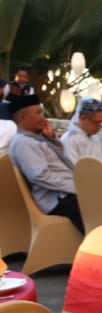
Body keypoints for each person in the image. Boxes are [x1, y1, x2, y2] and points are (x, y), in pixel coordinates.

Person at [7, 94, 84, 232]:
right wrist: (76, 187)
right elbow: (40, 176)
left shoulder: (36, 138)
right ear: (22, 118)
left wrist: (52, 139)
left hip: (67, 194)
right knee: (99, 210)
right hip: (57, 200)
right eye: (38, 113)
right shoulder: (24, 143)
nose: (43, 117)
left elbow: (64, 160)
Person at [61, 98, 102, 164]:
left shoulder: (95, 136)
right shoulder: (69, 140)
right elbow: (74, 169)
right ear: (83, 118)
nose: (100, 126)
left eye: (101, 122)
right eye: (96, 122)